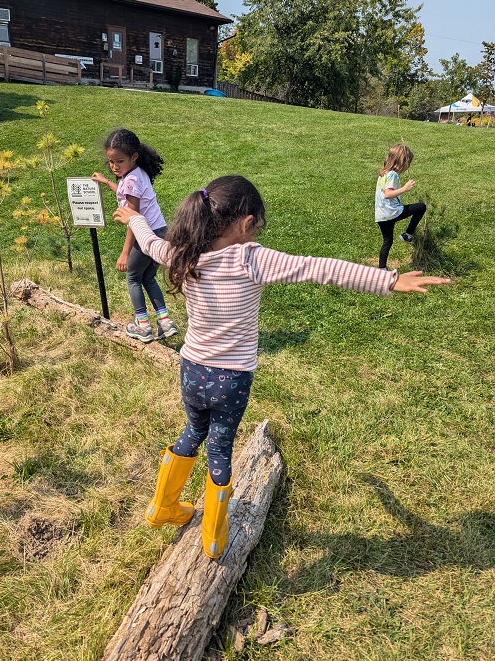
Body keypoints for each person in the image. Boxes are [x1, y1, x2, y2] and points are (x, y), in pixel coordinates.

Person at [114, 175, 450, 559]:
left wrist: (132, 219)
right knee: (220, 448)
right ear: (245, 225)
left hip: (191, 369)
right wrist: (387, 280)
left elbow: (152, 242)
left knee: (193, 431)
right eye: (258, 224)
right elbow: (319, 268)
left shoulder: (183, 254)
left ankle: (161, 507)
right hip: (231, 378)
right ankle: (212, 535)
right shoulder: (250, 257)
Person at [92, 128, 177, 342]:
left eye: (119, 161)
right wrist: (106, 181)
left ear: (134, 156)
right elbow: (125, 191)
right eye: (111, 162)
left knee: (133, 277)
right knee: (148, 277)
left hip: (144, 234)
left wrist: (125, 253)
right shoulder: (137, 173)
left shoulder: (130, 180)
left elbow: (133, 217)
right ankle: (165, 322)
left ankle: (143, 325)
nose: (114, 166)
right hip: (160, 230)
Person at [375, 144, 427, 270]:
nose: (407, 166)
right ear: (401, 161)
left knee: (387, 241)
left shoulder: (383, 174)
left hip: (381, 215)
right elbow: (388, 194)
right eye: (408, 163)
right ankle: (408, 234)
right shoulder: (392, 175)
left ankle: (382, 269)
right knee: (421, 207)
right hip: (391, 212)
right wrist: (405, 188)